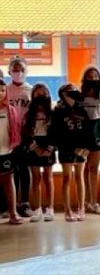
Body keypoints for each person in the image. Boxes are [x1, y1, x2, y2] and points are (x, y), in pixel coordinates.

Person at [51, 83, 92, 222]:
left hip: (81, 148)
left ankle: (81, 208)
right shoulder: (58, 110)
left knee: (80, 177)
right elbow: (57, 134)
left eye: (74, 91)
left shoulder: (81, 109)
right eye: (69, 91)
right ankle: (67, 210)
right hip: (66, 149)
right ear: (62, 94)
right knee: (67, 177)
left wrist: (86, 147)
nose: (73, 93)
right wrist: (71, 147)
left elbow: (87, 130)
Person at [22, 83, 56, 222]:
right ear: (33, 96)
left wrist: (49, 148)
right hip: (33, 147)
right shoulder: (28, 115)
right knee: (35, 178)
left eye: (43, 94)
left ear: (48, 96)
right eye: (38, 94)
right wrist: (36, 148)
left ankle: (50, 208)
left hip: (48, 146)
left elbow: (56, 133)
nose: (41, 97)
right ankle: (37, 210)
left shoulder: (53, 114)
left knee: (48, 177)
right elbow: (25, 134)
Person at [6, 57, 32, 218]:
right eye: (15, 69)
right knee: (10, 170)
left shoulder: (30, 90)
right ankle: (12, 204)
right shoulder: (5, 90)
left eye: (21, 69)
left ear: (26, 72)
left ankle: (25, 203)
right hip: (8, 135)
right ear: (9, 71)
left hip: (26, 135)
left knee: (24, 169)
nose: (18, 73)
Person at [80, 66, 100, 214]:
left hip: (98, 131)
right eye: (89, 76)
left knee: (94, 167)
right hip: (83, 131)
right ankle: (84, 202)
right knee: (84, 167)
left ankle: (94, 201)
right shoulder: (80, 96)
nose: (93, 79)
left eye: (95, 76)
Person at [0, 79, 23, 225]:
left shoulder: (10, 110)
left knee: (9, 182)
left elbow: (15, 130)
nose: (0, 93)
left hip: (6, 152)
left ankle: (13, 213)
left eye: (2, 90)